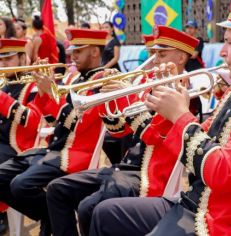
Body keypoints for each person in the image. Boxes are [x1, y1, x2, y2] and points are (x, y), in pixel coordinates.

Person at [89, 0, 231, 235]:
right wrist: (171, 115)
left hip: (226, 223)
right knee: (105, 214)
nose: (223, 51)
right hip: (199, 204)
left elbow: (222, 173)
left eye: (229, 42)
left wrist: (181, 116)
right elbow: (196, 138)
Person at [46, 25, 200, 236]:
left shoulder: (186, 94)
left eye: (161, 54)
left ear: (182, 58)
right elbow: (118, 131)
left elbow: (154, 136)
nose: (154, 59)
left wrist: (125, 97)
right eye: (153, 53)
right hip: (125, 167)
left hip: (150, 176)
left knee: (88, 207)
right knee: (57, 189)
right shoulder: (148, 84)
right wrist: (107, 96)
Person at [0, 28, 109, 236]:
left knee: (21, 185)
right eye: (72, 50)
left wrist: (52, 94)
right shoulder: (72, 79)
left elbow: (78, 123)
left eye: (78, 51)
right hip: (54, 149)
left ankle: (49, 217)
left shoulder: (102, 83)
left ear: (95, 52)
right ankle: (48, 216)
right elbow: (55, 121)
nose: (72, 55)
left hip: (75, 155)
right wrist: (45, 92)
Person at [0, 38, 42, 235]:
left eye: (8, 59)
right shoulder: (4, 84)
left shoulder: (33, 87)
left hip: (19, 148)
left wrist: (2, 99)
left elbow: (33, 121)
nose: (3, 64)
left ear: (22, 58)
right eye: (1, 60)